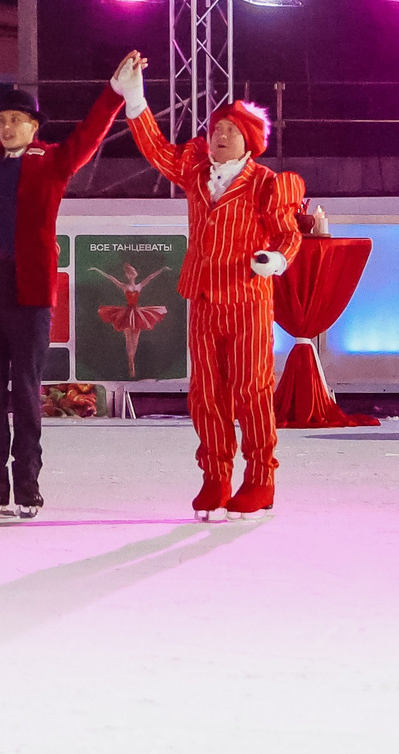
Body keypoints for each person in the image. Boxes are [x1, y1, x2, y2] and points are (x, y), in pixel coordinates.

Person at [0, 33, 131, 519]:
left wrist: (115, 92)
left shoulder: (55, 161)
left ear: (34, 126)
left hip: (30, 293)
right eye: (1, 120)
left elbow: (90, 132)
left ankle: (27, 482)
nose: (6, 127)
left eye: (16, 120)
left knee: (24, 390)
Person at [122, 63, 307, 519]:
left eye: (229, 130)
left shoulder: (267, 183)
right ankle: (216, 476)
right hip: (203, 297)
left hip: (245, 298)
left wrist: (275, 259)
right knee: (206, 392)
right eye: (215, 129)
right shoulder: (195, 171)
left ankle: (260, 478)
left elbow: (288, 233)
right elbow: (159, 152)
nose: (219, 136)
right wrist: (135, 100)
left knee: (250, 390)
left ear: (249, 139)